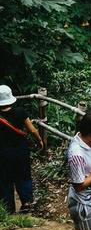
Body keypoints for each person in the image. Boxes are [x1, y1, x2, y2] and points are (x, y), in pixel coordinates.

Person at [0, 84, 44, 214]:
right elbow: (31, 129)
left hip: (3, 152)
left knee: (5, 179)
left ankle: (9, 208)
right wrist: (39, 140)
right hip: (21, 150)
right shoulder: (20, 112)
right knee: (23, 176)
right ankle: (26, 202)